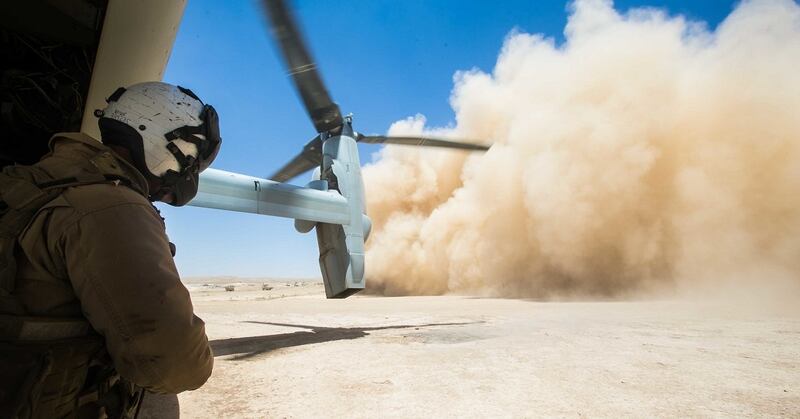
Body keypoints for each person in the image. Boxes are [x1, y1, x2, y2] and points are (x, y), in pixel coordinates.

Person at [0, 81, 221, 418]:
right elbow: (176, 365)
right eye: (191, 160)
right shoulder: (111, 206)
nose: (188, 174)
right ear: (165, 142)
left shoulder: (28, 184)